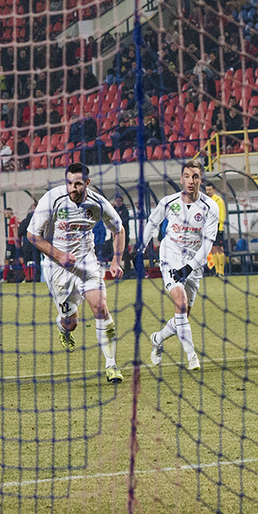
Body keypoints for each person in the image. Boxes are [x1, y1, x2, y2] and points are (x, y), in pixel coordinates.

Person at [26, 162, 128, 383]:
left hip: (86, 263)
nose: (73, 188)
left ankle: (111, 365)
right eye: (70, 183)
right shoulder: (51, 200)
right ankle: (63, 327)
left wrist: (116, 261)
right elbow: (32, 235)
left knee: (101, 308)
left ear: (87, 183)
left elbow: (118, 229)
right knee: (71, 322)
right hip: (57, 267)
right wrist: (59, 254)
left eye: (78, 184)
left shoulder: (98, 203)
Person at [143, 159, 219, 371]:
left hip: (194, 262)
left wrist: (191, 266)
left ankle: (157, 339)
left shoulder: (210, 207)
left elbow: (207, 243)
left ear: (201, 179)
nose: (191, 181)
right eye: (187, 176)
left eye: (195, 177)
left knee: (182, 317)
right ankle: (192, 356)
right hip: (171, 255)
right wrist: (141, 248)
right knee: (181, 301)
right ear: (181, 179)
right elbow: (152, 223)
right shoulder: (168, 202)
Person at [203, 182, 228, 274]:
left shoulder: (218, 200)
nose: (208, 192)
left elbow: (222, 213)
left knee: (220, 248)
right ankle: (217, 271)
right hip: (209, 226)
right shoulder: (205, 200)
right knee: (213, 248)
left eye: (210, 190)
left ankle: (221, 271)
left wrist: (221, 227)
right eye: (207, 190)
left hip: (217, 226)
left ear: (214, 190)